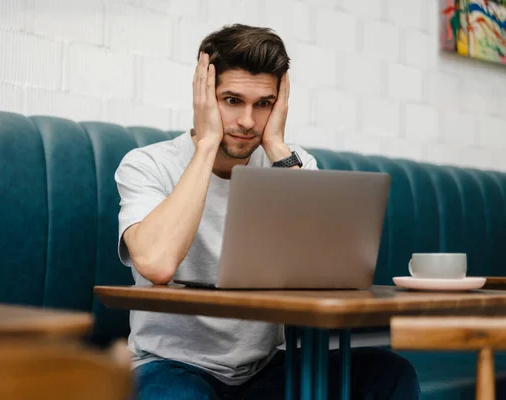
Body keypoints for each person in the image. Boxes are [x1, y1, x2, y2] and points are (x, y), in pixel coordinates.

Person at [114, 23, 420, 400]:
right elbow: (157, 264)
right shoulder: (146, 164)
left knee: (389, 374)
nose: (247, 121)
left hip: (266, 368)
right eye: (231, 100)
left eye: (263, 104)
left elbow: (333, 268)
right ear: (203, 96)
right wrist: (207, 143)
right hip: (170, 365)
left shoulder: (291, 165)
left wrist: (276, 145)